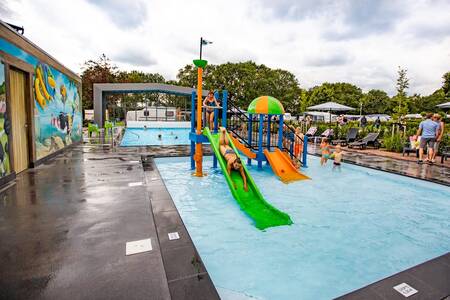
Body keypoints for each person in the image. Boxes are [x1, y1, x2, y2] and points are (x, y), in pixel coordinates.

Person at [219, 127, 248, 191]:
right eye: (236, 165)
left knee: (226, 144)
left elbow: (244, 176)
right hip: (227, 153)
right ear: (234, 163)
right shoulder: (230, 163)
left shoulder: (240, 165)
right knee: (221, 145)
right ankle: (222, 131)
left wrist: (245, 185)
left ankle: (224, 132)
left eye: (238, 166)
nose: (237, 167)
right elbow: (228, 175)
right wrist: (232, 183)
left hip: (231, 152)